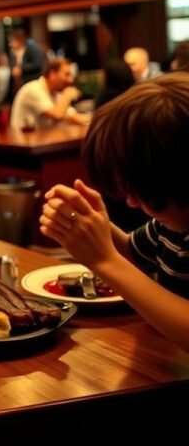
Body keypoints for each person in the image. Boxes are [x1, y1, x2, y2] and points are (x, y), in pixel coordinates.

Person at [40, 75, 189, 351]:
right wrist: (95, 225)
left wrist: (105, 260)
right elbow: (134, 254)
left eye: (141, 189)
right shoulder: (171, 225)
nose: (132, 202)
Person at [10, 58, 89, 130]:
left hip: (43, 142)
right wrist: (67, 95)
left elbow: (72, 116)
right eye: (67, 74)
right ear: (52, 75)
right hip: (24, 143)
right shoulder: (33, 89)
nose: (70, 80)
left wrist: (92, 120)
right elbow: (58, 115)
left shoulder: (56, 93)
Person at [8, 28, 46, 92]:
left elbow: (37, 64)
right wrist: (13, 69)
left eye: (12, 41)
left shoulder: (33, 49)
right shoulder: (13, 52)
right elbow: (11, 65)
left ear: (19, 40)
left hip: (32, 82)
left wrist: (21, 69)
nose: (10, 44)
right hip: (19, 84)